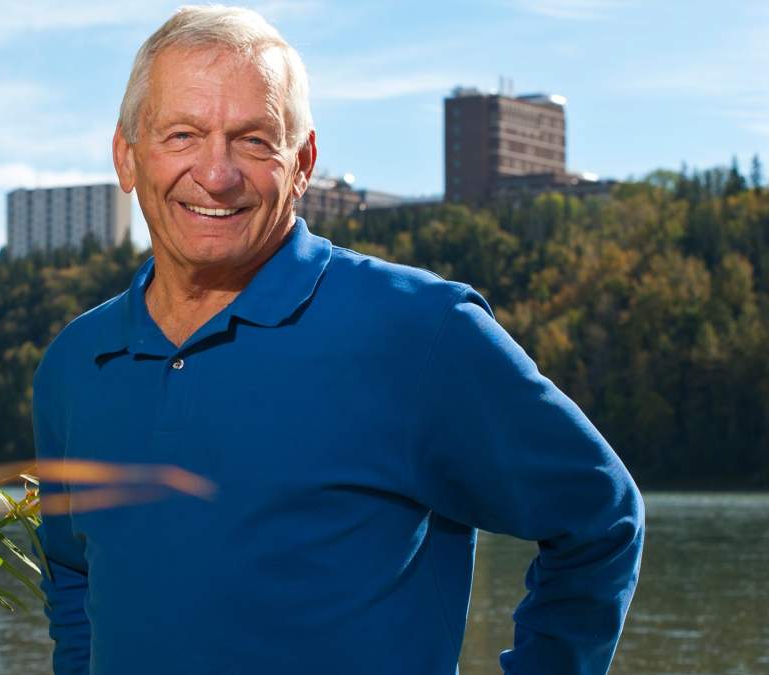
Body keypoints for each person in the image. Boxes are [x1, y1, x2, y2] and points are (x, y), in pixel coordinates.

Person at [33, 6, 644, 674]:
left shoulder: (419, 331)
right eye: (182, 134)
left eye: (254, 140)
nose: (216, 173)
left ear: (303, 164)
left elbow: (599, 516)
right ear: (126, 155)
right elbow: (72, 575)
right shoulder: (74, 365)